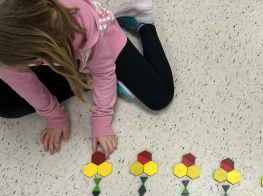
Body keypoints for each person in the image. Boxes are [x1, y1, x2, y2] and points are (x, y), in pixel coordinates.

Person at [0, 0, 174, 159]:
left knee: (160, 96)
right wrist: (53, 115)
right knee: (6, 105)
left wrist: (101, 119)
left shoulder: (80, 27)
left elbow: (104, 71)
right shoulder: (7, 47)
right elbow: (23, 82)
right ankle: (88, 78)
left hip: (97, 35)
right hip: (57, 52)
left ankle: (141, 21)